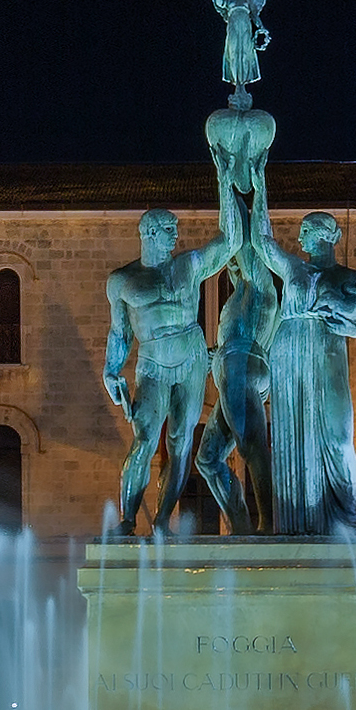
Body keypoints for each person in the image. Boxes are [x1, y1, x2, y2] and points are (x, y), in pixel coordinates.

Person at [104, 207, 241, 533]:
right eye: (169, 228)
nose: (175, 235)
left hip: (190, 359)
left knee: (180, 441)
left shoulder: (188, 265)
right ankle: (127, 519)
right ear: (149, 232)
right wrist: (111, 370)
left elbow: (229, 241)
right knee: (144, 439)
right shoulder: (123, 281)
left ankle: (163, 520)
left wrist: (227, 184)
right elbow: (120, 332)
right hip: (152, 363)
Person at [252, 209, 356, 537]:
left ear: (324, 235)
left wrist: (346, 327)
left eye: (306, 232)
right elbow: (263, 242)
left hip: (327, 355)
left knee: (339, 438)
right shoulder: (294, 267)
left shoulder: (349, 278)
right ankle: (301, 522)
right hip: (290, 354)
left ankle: (352, 519)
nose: (299, 239)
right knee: (296, 437)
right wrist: (258, 188)